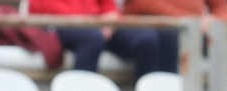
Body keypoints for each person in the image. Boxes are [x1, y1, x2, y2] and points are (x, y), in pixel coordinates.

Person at [122, 0, 227, 77]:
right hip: (159, 27)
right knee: (167, 38)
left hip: (197, 30)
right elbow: (142, 4)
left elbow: (220, 6)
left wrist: (219, 24)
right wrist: (192, 21)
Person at [29, 0, 164, 80]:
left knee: (147, 39)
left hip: (98, 24)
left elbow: (107, 5)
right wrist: (92, 23)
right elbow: (40, 7)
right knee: (92, 38)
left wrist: (110, 17)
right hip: (62, 24)